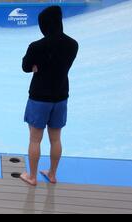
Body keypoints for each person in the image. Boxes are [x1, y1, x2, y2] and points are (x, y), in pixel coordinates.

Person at [20, 6, 78, 186]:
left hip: (39, 97)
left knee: (35, 139)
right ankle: (52, 174)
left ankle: (32, 177)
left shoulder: (37, 46)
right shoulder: (73, 44)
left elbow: (25, 67)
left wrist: (35, 66)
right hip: (61, 96)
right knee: (56, 138)